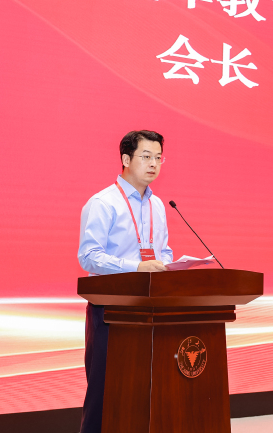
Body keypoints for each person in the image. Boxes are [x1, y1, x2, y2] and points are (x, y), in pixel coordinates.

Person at [77, 130, 173, 433]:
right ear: (126, 159)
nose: (153, 164)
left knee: (145, 389)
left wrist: (170, 266)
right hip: (111, 310)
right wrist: (136, 267)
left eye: (158, 158)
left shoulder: (159, 206)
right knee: (106, 392)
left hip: (151, 309)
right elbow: (89, 256)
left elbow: (163, 251)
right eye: (146, 156)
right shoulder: (103, 203)